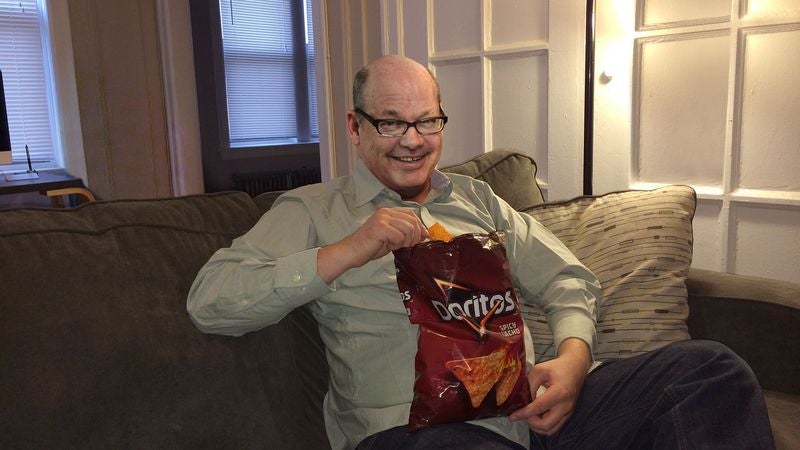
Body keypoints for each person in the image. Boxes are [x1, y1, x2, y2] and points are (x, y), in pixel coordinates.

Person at [187, 55, 775, 449]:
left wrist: (572, 362)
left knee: (710, 369)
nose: (413, 141)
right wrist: (349, 249)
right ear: (354, 125)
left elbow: (569, 279)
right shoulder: (312, 210)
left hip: (531, 416)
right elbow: (212, 302)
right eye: (391, 123)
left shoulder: (477, 199)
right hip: (417, 433)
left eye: (427, 121)